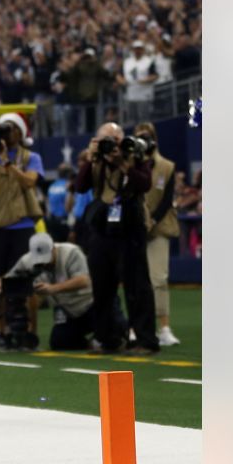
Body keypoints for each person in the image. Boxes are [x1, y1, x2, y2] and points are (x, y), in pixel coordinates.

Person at [73, 122, 159, 354]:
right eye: (107, 140)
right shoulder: (95, 160)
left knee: (137, 286)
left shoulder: (134, 154)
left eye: (116, 138)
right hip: (102, 230)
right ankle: (106, 337)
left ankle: (145, 339)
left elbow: (145, 183)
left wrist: (123, 164)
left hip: (130, 228)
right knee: (101, 287)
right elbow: (80, 186)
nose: (113, 145)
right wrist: (90, 158)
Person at [0, 112, 44, 350]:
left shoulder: (30, 157)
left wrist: (7, 163)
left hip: (23, 224)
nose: (8, 134)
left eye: (12, 129)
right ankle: (3, 331)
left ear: (21, 132)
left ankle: (30, 332)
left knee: (26, 283)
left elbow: (29, 182)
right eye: (4, 129)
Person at [0, 233, 94, 350]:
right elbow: (8, 278)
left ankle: (107, 334)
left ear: (54, 249)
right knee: (59, 342)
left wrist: (52, 288)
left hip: (91, 305)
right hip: (68, 312)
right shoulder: (27, 261)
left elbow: (84, 281)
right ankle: (89, 343)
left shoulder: (71, 252)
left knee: (110, 332)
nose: (44, 263)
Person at [134, 122, 181, 346]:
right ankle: (137, 326)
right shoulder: (131, 165)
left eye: (147, 136)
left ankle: (163, 327)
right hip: (134, 227)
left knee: (159, 278)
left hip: (159, 226)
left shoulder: (167, 167)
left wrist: (152, 220)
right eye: (139, 137)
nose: (144, 140)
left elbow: (167, 199)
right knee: (136, 280)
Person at [122, 40, 159, 125]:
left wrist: (145, 80)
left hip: (144, 95)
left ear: (142, 50)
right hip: (130, 95)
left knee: (144, 119)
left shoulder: (148, 61)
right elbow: (119, 75)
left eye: (139, 49)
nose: (137, 51)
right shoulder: (127, 62)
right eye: (136, 49)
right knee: (131, 119)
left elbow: (155, 75)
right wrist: (123, 81)